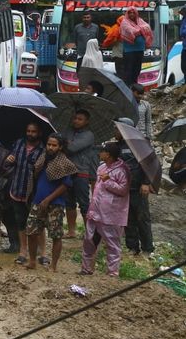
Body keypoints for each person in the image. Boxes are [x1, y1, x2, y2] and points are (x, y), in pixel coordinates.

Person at [26, 133, 76, 272]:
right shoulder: (42, 158)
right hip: (37, 201)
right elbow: (35, 176)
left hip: (55, 204)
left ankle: (53, 265)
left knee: (56, 235)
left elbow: (66, 185)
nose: (51, 147)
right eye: (49, 144)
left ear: (60, 147)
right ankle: (32, 261)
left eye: (54, 145)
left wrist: (48, 200)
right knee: (31, 231)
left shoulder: (65, 163)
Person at [81, 142, 130, 277]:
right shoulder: (101, 167)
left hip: (111, 214)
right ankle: (86, 268)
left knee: (112, 243)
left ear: (108, 154)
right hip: (96, 210)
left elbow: (123, 190)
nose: (99, 153)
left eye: (102, 151)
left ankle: (112, 272)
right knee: (89, 239)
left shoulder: (122, 170)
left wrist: (108, 181)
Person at [4, 122, 44, 262]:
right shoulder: (19, 143)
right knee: (20, 221)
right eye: (28, 131)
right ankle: (23, 251)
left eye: (33, 131)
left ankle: (42, 253)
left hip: (34, 192)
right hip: (17, 189)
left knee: (37, 222)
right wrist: (9, 159)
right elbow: (10, 161)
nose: (30, 134)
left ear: (39, 133)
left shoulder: (43, 148)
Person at [115, 118, 154, 255]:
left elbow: (148, 163)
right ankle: (132, 247)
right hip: (124, 188)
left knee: (142, 218)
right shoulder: (117, 146)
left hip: (138, 187)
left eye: (117, 129)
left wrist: (146, 183)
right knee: (128, 218)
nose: (115, 131)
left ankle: (147, 249)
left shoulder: (139, 144)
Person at [63, 109, 96, 239]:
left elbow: (71, 148)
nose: (76, 121)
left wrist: (66, 143)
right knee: (69, 203)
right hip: (67, 171)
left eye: (80, 119)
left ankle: (89, 232)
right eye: (75, 118)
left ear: (86, 121)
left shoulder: (89, 135)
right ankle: (71, 231)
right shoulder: (68, 131)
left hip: (81, 172)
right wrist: (66, 142)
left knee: (84, 203)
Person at [120, 7, 153, 87]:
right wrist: (141, 31)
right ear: (127, 14)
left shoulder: (140, 21)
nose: (132, 14)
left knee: (137, 69)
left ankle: (135, 85)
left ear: (136, 13)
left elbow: (147, 28)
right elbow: (131, 31)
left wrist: (140, 30)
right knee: (129, 69)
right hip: (129, 50)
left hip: (140, 49)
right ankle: (129, 86)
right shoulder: (124, 22)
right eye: (130, 13)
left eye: (133, 12)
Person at [179, 7, 186, 83]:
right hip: (184, 48)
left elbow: (183, 32)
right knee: (183, 67)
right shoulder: (184, 19)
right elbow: (181, 33)